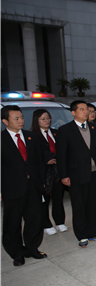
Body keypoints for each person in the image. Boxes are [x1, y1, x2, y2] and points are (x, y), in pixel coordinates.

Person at [56, 101, 96, 248]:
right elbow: (61, 156)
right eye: (82, 109)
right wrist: (64, 175)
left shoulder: (95, 128)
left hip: (95, 173)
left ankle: (95, 232)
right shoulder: (65, 130)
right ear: (73, 112)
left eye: (87, 109)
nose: (86, 112)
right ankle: (82, 235)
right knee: (79, 205)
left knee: (95, 205)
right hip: (76, 175)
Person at [2, 105, 47, 266]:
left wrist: (41, 182)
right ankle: (16, 252)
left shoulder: (31, 137)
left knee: (35, 219)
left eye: (21, 117)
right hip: (12, 189)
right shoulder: (2, 140)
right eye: (16, 118)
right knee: (13, 222)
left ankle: (32, 248)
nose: (21, 121)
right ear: (5, 121)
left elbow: (40, 162)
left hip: (33, 186)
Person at [30, 109, 68, 236]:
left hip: (57, 170)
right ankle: (46, 223)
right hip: (43, 172)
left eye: (48, 118)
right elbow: (33, 155)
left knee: (58, 196)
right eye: (43, 119)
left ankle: (59, 221)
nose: (47, 121)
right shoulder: (33, 136)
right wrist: (45, 160)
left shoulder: (56, 133)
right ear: (36, 120)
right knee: (44, 199)